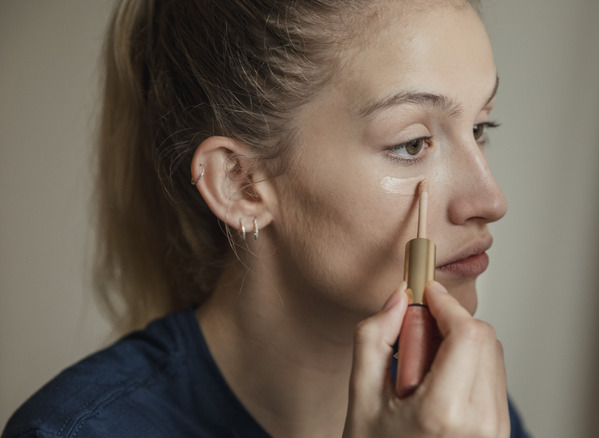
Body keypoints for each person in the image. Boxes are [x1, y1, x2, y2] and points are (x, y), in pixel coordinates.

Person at [3, 0, 526, 437]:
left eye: (481, 127)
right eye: (412, 143)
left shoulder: (457, 412)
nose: (491, 199)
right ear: (240, 184)